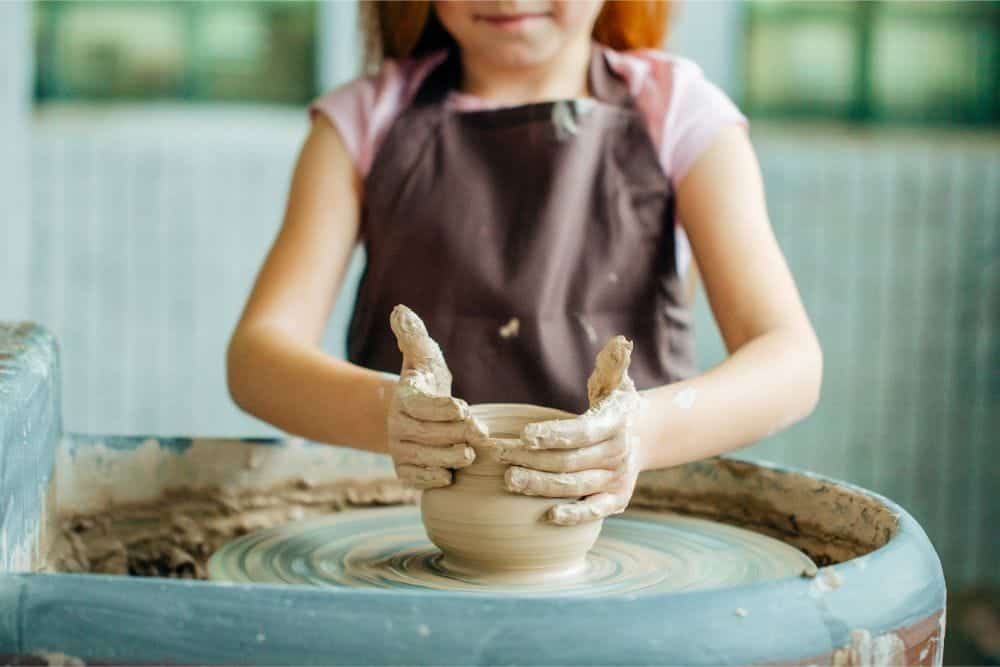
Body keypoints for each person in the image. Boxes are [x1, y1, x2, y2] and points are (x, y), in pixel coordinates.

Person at [227, 1, 822, 527]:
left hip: (626, 523)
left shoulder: (680, 113)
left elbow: (791, 360)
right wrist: (386, 415)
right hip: (408, 526)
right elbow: (256, 357)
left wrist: (643, 433)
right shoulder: (364, 121)